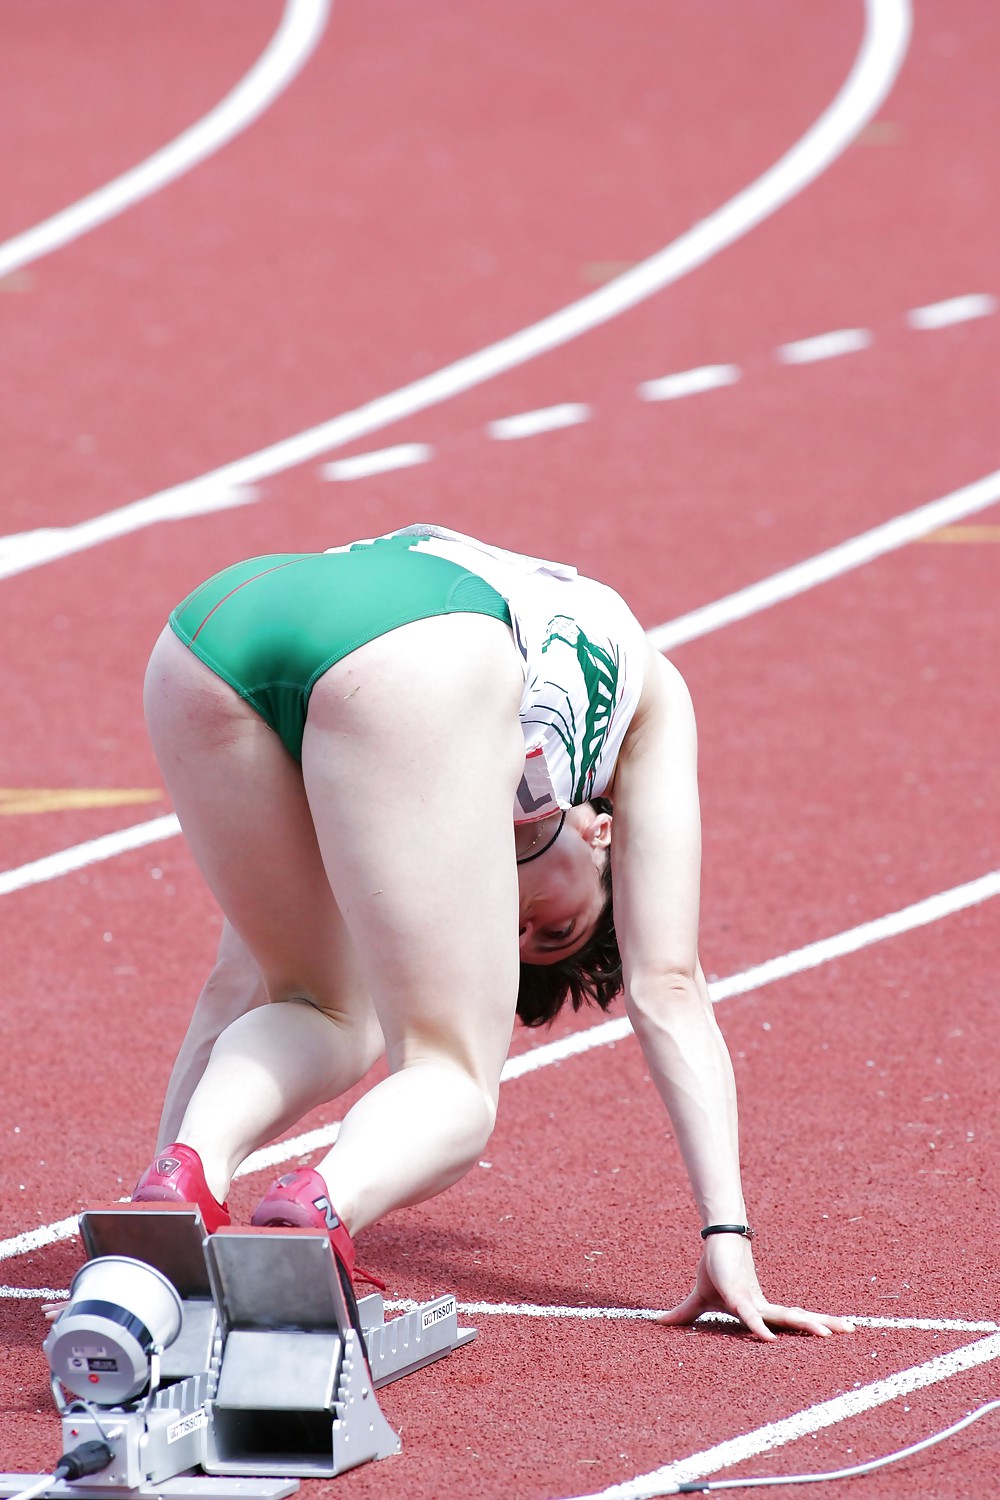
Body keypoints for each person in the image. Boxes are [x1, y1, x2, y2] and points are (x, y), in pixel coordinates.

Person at [133, 523, 854, 1341]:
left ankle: (184, 1173)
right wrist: (727, 1233)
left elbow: (235, 984)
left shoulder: (466, 767)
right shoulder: (652, 710)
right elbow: (669, 983)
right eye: (553, 925)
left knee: (322, 1003)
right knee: (454, 1079)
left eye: (513, 934)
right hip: (416, 645)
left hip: (215, 630)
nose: (509, 919)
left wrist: (148, 1236)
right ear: (602, 836)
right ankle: (319, 1207)